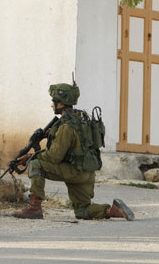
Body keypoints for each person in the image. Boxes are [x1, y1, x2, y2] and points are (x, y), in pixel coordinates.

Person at [13, 83, 134, 221]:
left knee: (35, 164)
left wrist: (30, 156)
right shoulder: (82, 118)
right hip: (87, 172)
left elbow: (54, 156)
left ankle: (34, 208)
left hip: (74, 171)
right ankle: (113, 211)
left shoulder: (66, 127)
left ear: (61, 104)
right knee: (82, 211)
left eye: (54, 101)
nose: (52, 105)